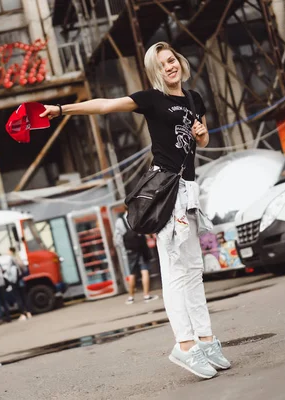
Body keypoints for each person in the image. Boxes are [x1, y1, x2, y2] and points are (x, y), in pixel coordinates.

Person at [39, 41, 230, 379]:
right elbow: (104, 106)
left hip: (188, 189)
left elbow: (200, 142)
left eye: (172, 60)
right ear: (155, 72)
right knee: (174, 273)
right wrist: (60, 110)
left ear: (179, 62)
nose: (169, 67)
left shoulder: (193, 99)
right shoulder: (152, 99)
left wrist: (201, 135)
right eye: (162, 64)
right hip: (166, 190)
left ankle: (206, 339)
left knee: (193, 269)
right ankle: (184, 346)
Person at [114, 206, 159, 305]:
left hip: (130, 250)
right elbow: (145, 231)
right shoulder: (137, 217)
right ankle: (147, 295)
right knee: (145, 271)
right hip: (141, 248)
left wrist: (125, 249)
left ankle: (131, 297)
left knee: (132, 273)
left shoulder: (119, 221)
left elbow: (118, 239)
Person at [1, 248, 32, 320]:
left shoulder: (11, 259)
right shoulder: (18, 257)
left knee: (18, 297)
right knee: (24, 296)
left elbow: (8, 270)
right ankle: (28, 312)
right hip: (20, 279)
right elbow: (23, 268)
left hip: (13, 280)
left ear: (11, 251)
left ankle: (23, 313)